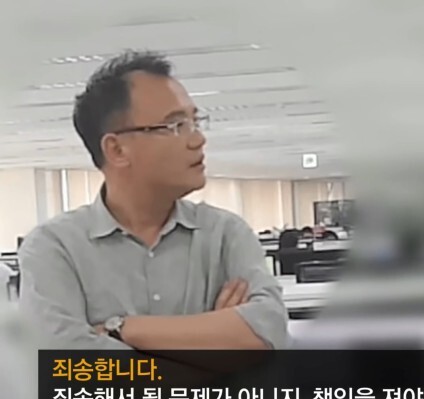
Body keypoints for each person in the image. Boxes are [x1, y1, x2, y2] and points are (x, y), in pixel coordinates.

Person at [18, 50, 287, 350]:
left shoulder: (225, 234)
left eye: (195, 122)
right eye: (175, 126)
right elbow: (67, 365)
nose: (198, 139)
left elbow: (270, 332)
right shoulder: (55, 248)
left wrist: (123, 329)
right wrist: (215, 348)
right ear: (117, 150)